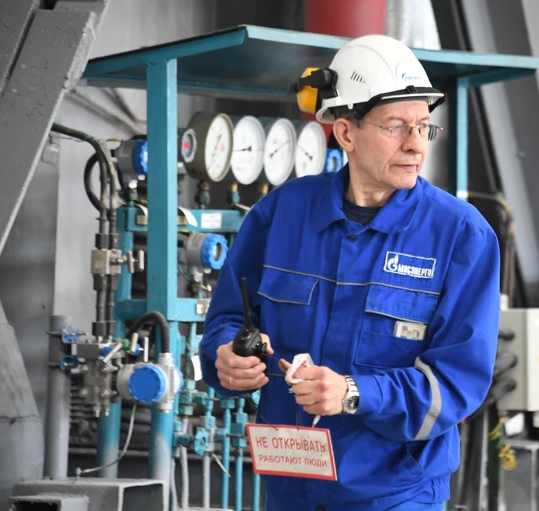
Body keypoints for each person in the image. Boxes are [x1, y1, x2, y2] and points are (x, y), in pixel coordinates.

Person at [200, 34, 501, 511]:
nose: (415, 145)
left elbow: (457, 381)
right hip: (290, 487)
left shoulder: (461, 235)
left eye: (424, 127)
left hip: (394, 493)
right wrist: (226, 357)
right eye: (396, 127)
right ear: (346, 133)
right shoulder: (280, 215)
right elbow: (228, 320)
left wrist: (355, 393)